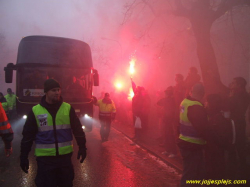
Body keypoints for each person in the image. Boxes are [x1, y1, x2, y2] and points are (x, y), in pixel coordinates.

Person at [20, 79, 87, 187]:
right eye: (53, 90)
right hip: (45, 161)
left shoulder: (68, 108)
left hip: (64, 159)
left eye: (58, 90)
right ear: (46, 92)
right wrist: (23, 156)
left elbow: (78, 130)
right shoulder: (35, 111)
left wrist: (82, 147)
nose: (57, 92)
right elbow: (27, 136)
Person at [178, 83, 207, 187]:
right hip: (193, 144)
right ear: (203, 94)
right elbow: (202, 128)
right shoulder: (196, 107)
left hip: (184, 141)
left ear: (191, 91)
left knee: (192, 172)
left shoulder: (185, 102)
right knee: (190, 174)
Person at [205, 94, 235, 180]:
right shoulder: (215, 117)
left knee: (216, 174)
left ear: (212, 104)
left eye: (207, 102)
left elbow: (222, 139)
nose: (205, 104)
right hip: (214, 152)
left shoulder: (217, 119)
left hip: (216, 153)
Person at [226, 77, 250, 179]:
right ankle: (241, 169)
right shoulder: (245, 94)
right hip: (239, 122)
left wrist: (230, 96)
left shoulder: (238, 96)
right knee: (239, 146)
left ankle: (237, 172)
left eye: (234, 83)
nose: (232, 84)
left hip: (235, 123)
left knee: (234, 145)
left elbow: (229, 106)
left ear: (239, 85)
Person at [157, 86, 177, 158]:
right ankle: (167, 150)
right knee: (166, 135)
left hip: (169, 120)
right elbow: (158, 103)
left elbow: (159, 102)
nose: (164, 94)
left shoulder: (171, 100)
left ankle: (173, 152)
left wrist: (165, 99)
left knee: (170, 136)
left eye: (165, 93)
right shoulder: (167, 100)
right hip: (165, 119)